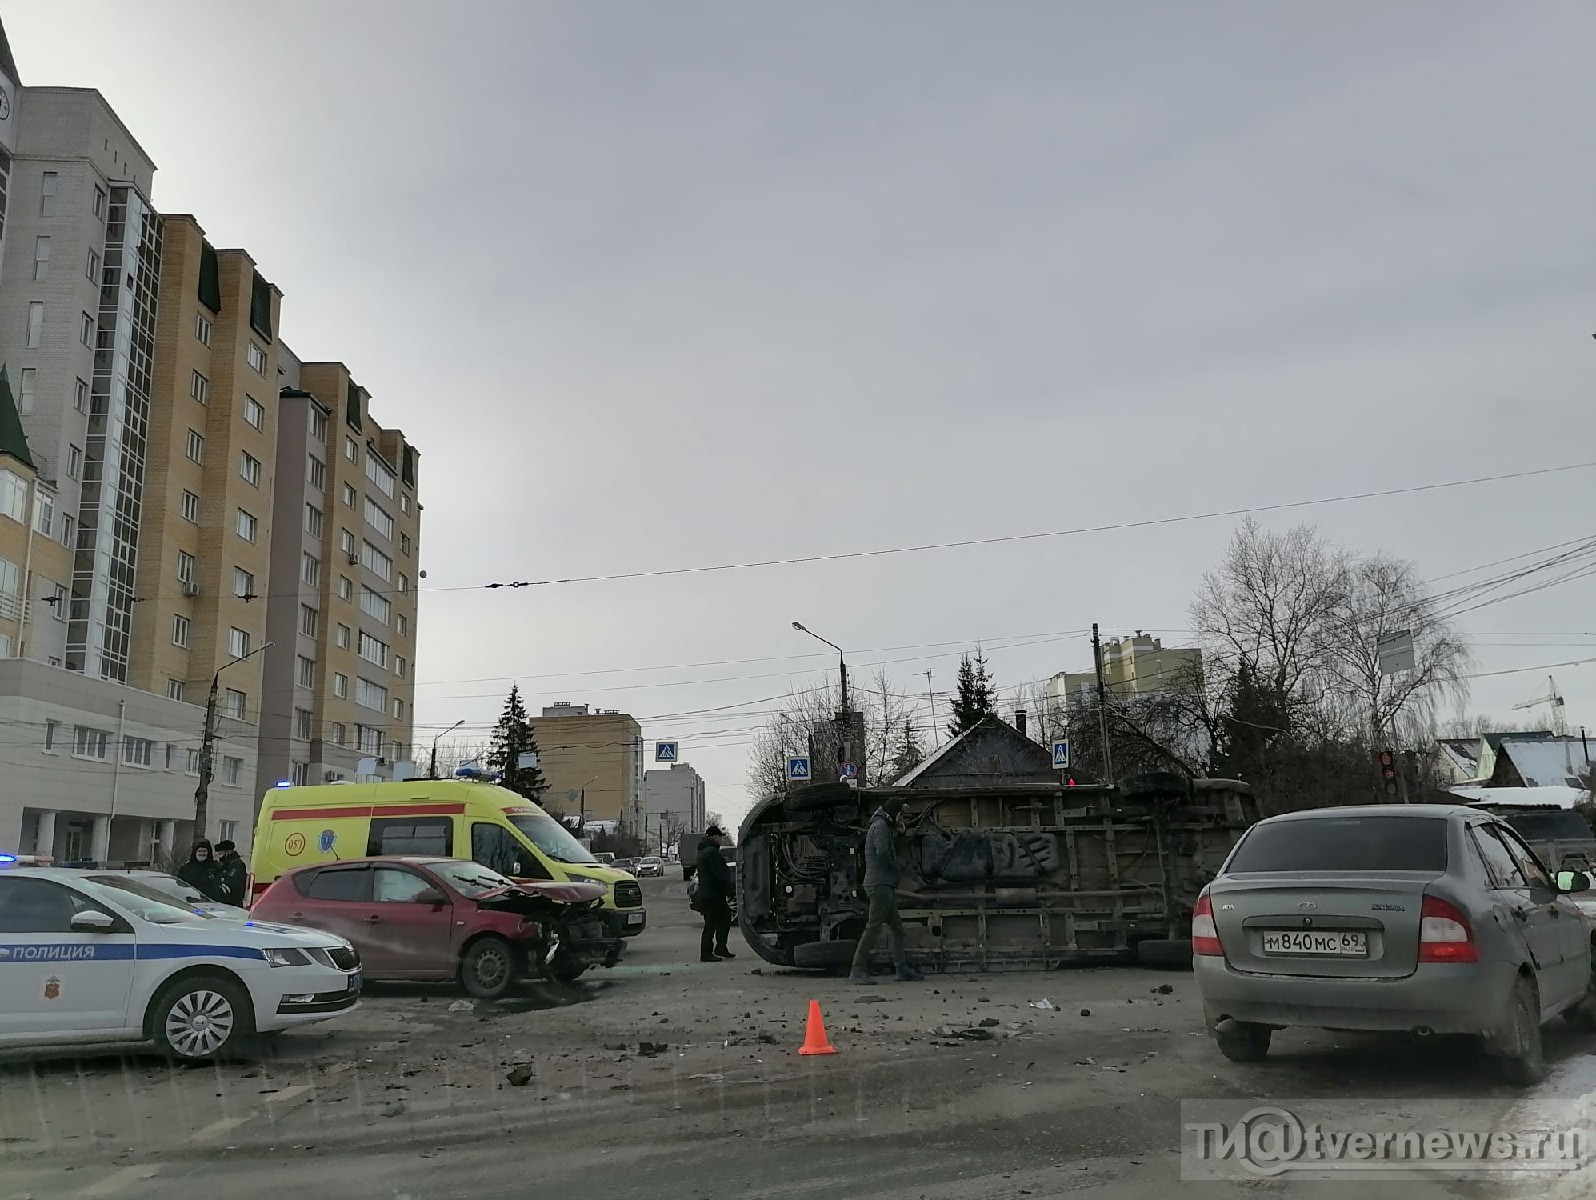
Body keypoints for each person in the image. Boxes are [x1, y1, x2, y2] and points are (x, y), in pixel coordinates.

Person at [849, 795, 925, 984]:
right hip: (879, 885)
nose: (902, 818)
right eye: (901, 814)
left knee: (897, 929)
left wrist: (899, 834)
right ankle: (857, 969)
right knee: (873, 928)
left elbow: (889, 849)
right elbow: (883, 852)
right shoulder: (881, 827)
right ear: (895, 813)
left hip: (883, 884)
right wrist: (895, 868)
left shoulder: (883, 825)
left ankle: (902, 968)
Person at [695, 826, 736, 963]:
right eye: (719, 836)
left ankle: (720, 948)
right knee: (712, 923)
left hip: (709, 893)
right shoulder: (711, 852)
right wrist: (728, 889)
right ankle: (706, 953)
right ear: (713, 837)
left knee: (722, 919)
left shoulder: (704, 851)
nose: (721, 839)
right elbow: (719, 874)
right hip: (713, 894)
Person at [213, 839, 247, 906]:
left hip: (232, 902)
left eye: (220, 854)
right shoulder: (225, 864)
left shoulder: (236, 864)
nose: (219, 857)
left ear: (227, 852)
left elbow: (231, 882)